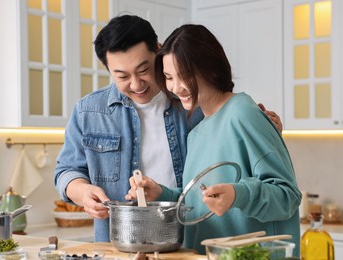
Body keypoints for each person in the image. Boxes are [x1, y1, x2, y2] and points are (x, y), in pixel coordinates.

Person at [54, 15, 283, 243]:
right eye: (121, 76)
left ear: (158, 51)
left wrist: (262, 132)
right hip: (119, 243)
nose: (136, 84)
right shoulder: (89, 111)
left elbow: (245, 159)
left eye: (144, 70)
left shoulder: (194, 100)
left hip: (189, 240)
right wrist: (83, 193)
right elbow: (66, 171)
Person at [126, 24, 301, 256]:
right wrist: (161, 194)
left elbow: (287, 195)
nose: (176, 87)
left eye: (185, 76)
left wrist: (239, 195)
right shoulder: (197, 133)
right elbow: (199, 202)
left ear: (212, 70)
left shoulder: (243, 113)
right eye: (169, 77)